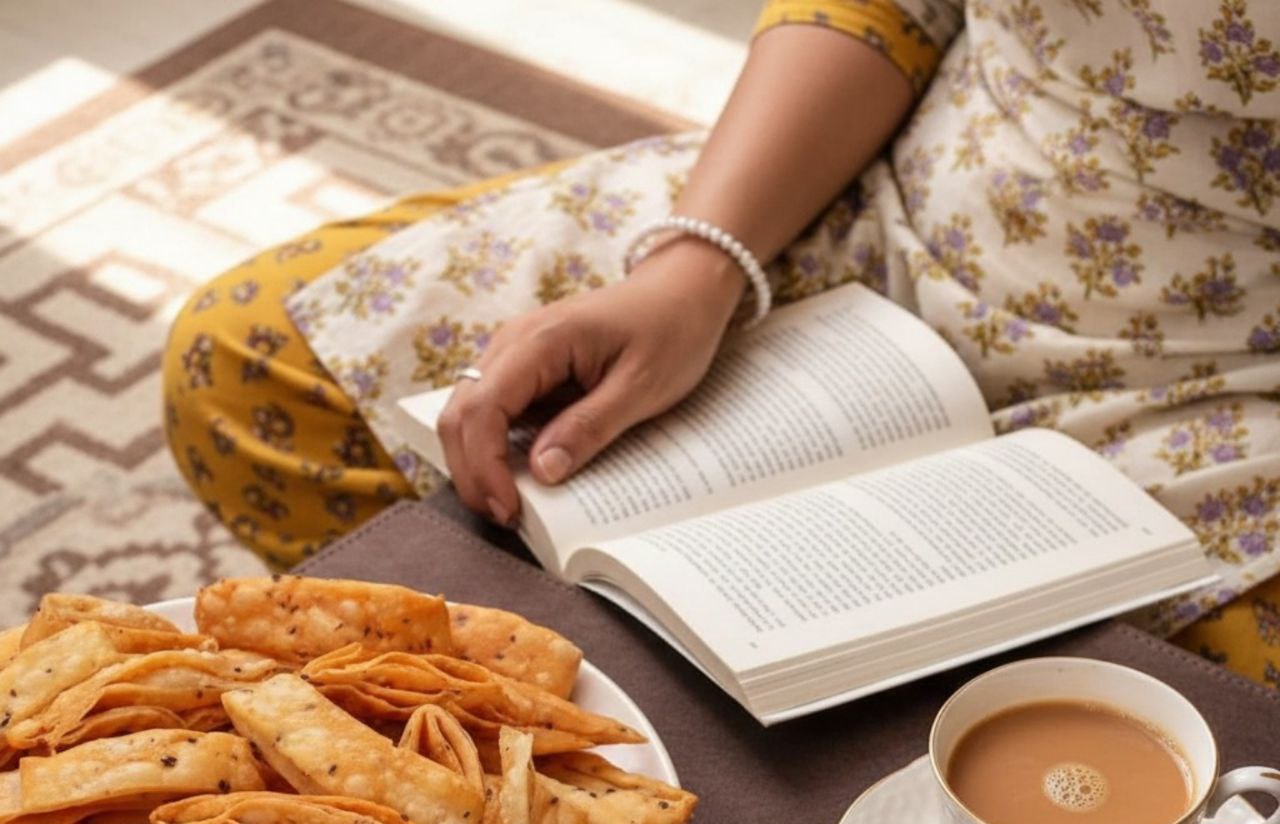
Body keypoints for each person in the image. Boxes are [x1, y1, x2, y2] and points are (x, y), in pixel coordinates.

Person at [163, 0, 1280, 678]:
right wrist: (694, 271)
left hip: (1228, 384)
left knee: (1200, 749)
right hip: (880, 205)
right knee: (251, 365)